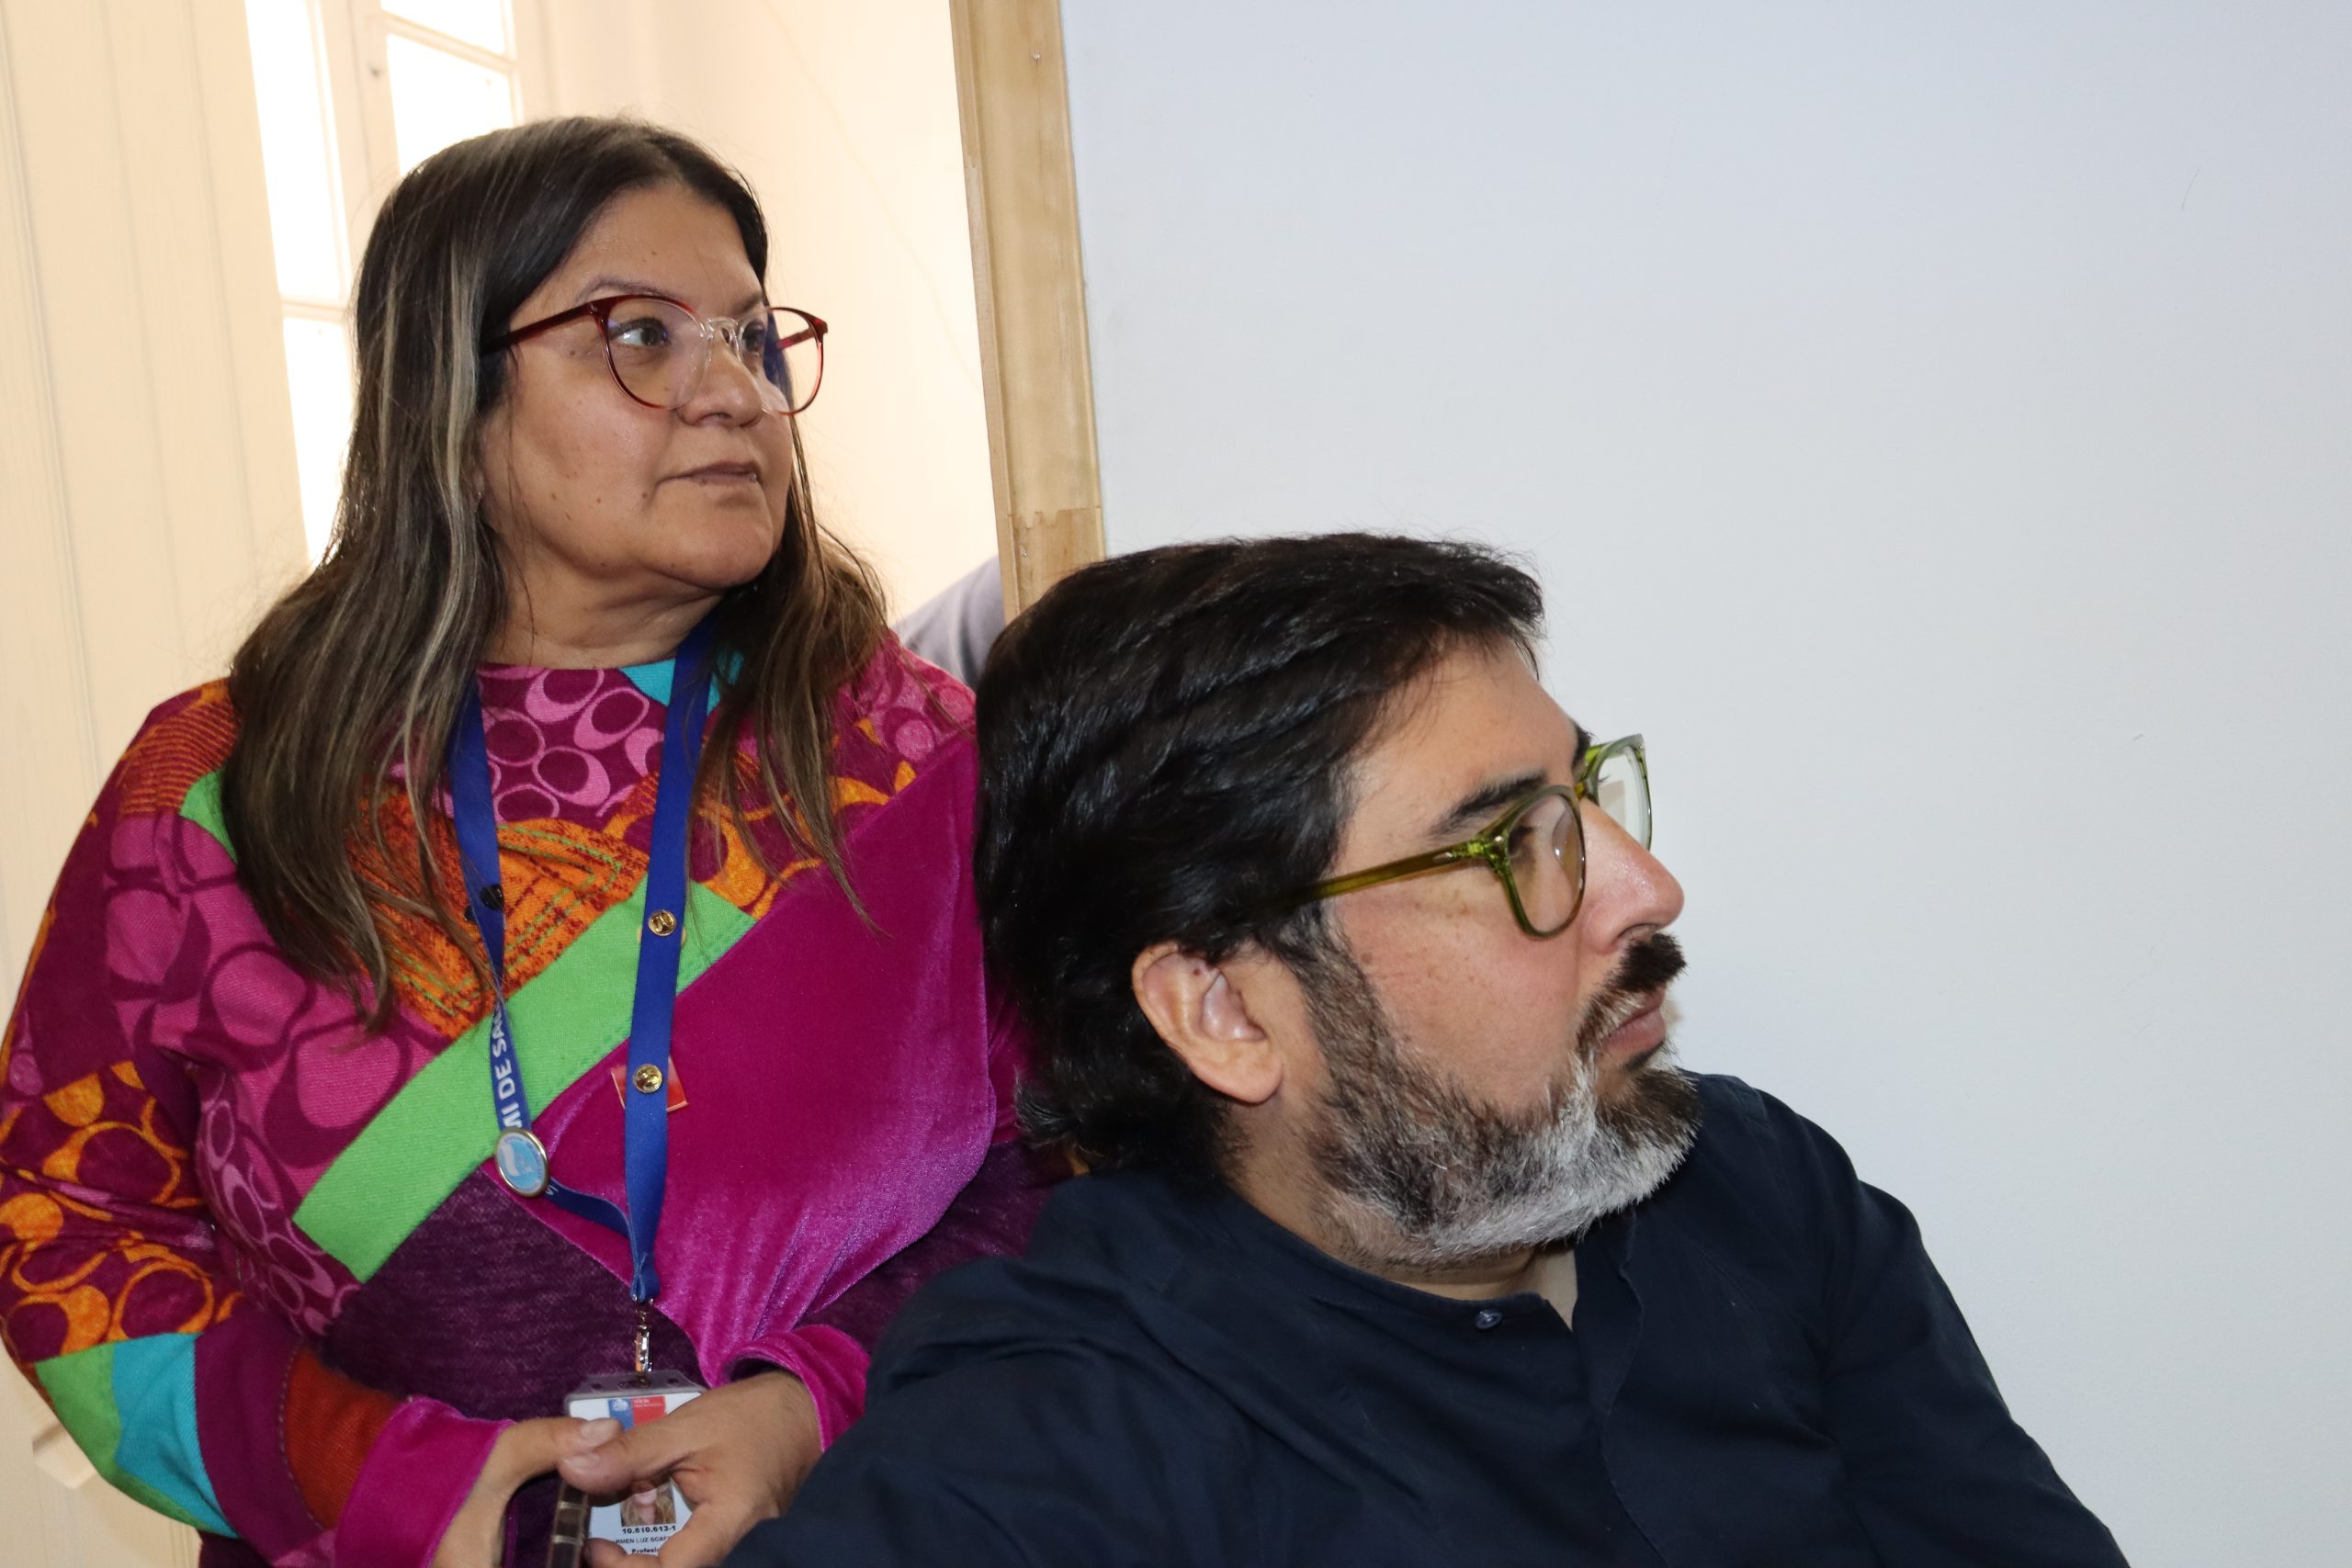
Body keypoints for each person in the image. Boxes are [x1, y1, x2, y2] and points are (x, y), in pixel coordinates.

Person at [0, 118, 1044, 1568]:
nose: (736, 393)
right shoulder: (219, 788)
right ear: (452, 392)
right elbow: (70, 1222)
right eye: (641, 335)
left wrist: (816, 1403)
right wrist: (382, 1475)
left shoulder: (917, 763)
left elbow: (1067, 1165)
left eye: (754, 338)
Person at [728, 534, 2130, 1567]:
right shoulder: (1056, 1439)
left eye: (1589, 796)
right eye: (1510, 842)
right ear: (1225, 1012)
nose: (1646, 888)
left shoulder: (1754, 1187)